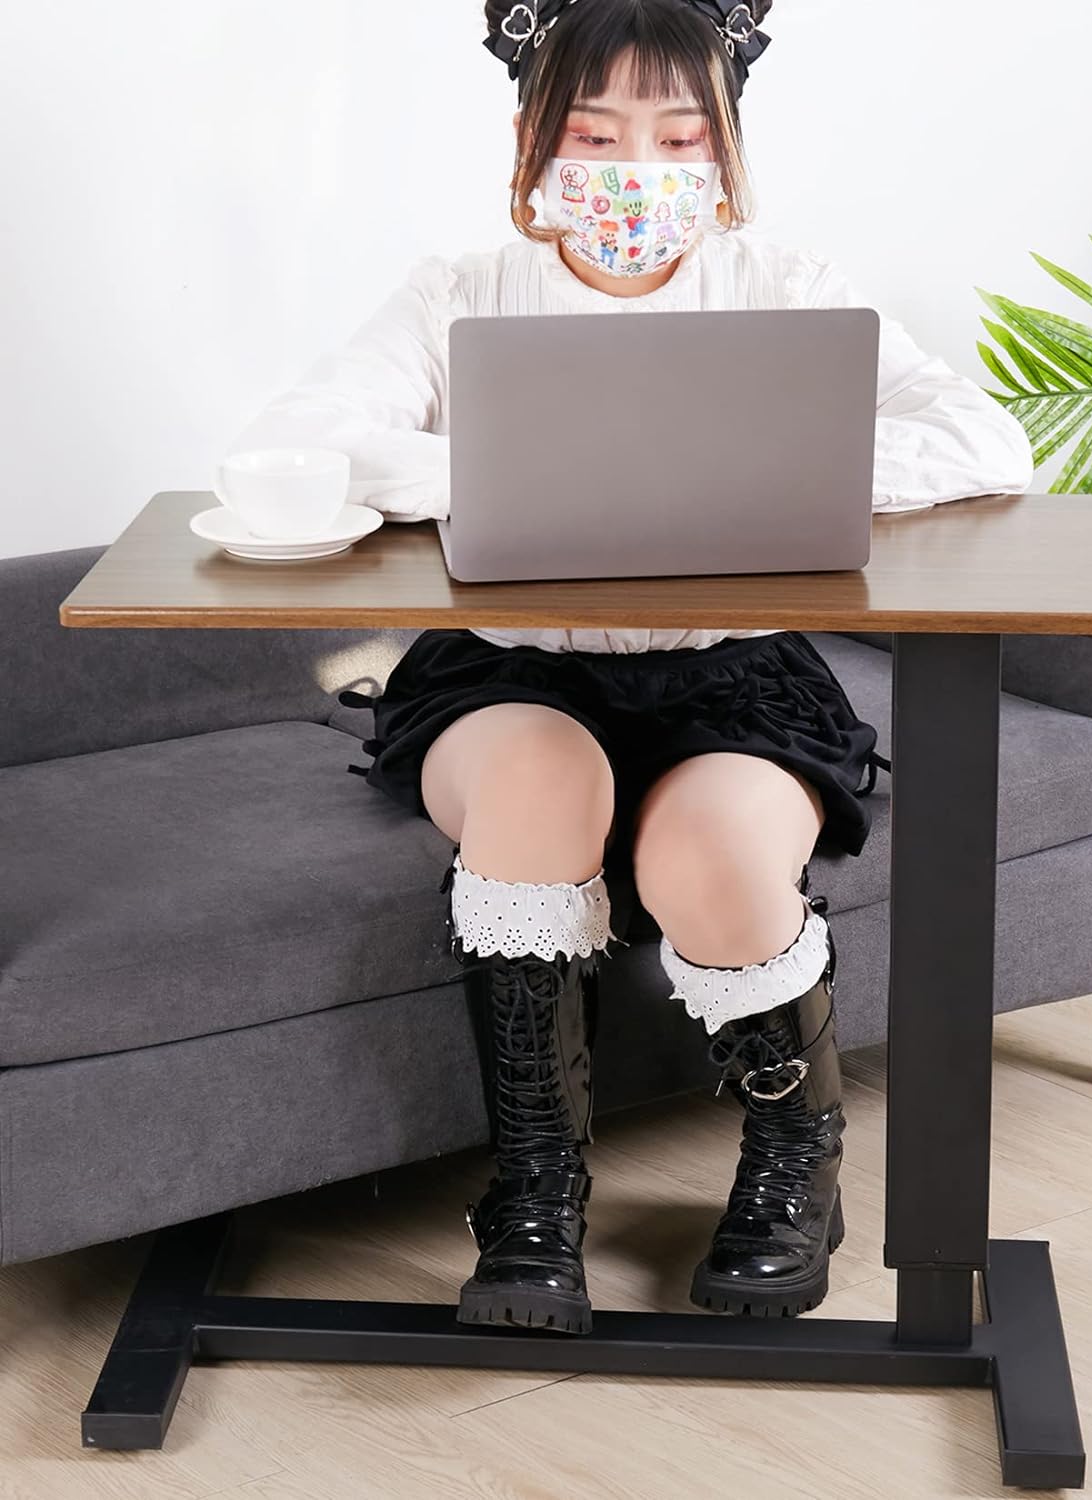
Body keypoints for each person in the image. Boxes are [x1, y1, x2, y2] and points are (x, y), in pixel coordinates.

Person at [228, 0, 1033, 1336]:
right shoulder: (459, 291)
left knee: (713, 855)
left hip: (733, 678)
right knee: (540, 785)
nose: (636, 168)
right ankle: (534, 1195)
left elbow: (988, 439)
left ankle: (797, 1156)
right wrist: (522, 474)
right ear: (533, 142)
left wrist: (762, 473)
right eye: (596, 135)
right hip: (509, 677)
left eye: (677, 134)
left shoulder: (784, 286)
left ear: (725, 148)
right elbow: (304, 438)